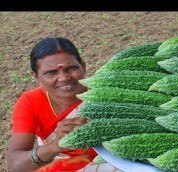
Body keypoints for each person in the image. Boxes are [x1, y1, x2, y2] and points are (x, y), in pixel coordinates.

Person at [6, 37, 121, 172]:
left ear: (83, 66)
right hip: (59, 165)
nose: (64, 78)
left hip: (114, 164)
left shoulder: (108, 94)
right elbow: (15, 165)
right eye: (51, 72)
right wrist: (54, 146)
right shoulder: (31, 102)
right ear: (36, 76)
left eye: (71, 68)